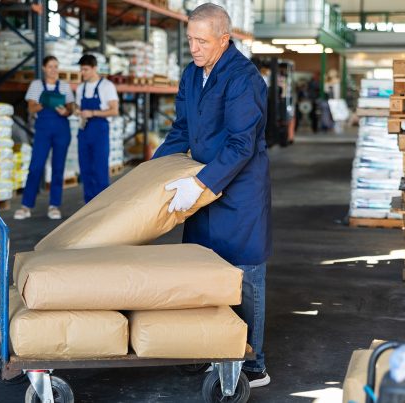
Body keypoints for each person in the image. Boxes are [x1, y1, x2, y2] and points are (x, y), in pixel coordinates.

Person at [152, 4, 272, 388]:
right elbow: (181, 130)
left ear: (225, 38)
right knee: (203, 269)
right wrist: (150, 173)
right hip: (201, 187)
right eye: (189, 39)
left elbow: (241, 144)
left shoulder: (243, 78)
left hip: (237, 189)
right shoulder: (191, 74)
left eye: (202, 41)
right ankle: (211, 347)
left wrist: (201, 183)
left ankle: (253, 365)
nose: (194, 48)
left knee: (245, 274)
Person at [14, 56, 75, 220]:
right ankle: (26, 206)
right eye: (50, 66)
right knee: (35, 166)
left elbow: (71, 107)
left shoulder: (64, 86)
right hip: (43, 130)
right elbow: (31, 108)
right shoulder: (36, 85)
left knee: (58, 168)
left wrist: (66, 112)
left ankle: (54, 205)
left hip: (61, 129)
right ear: (43, 68)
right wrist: (46, 103)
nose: (53, 70)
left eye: (56, 66)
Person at [75, 54, 119, 203]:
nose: (83, 73)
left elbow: (114, 110)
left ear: (94, 68)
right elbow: (78, 106)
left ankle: (103, 207)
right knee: (85, 169)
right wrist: (77, 111)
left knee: (100, 169)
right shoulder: (81, 88)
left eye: (86, 70)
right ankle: (88, 204)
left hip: (99, 130)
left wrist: (93, 112)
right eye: (81, 70)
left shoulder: (107, 86)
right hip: (84, 130)